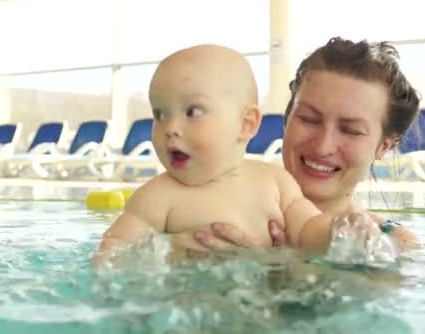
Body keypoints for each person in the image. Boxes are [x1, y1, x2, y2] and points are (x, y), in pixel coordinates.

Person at [95, 44, 353, 260]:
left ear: (246, 124)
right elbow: (107, 257)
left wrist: (345, 234)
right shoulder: (156, 198)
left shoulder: (276, 183)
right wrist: (164, 251)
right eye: (159, 114)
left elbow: (309, 230)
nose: (170, 128)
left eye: (192, 112)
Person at [172, 37, 422, 253]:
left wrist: (278, 265)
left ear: (384, 147)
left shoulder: (391, 244)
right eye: (308, 119)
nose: (323, 147)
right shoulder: (210, 206)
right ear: (288, 117)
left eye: (350, 130)